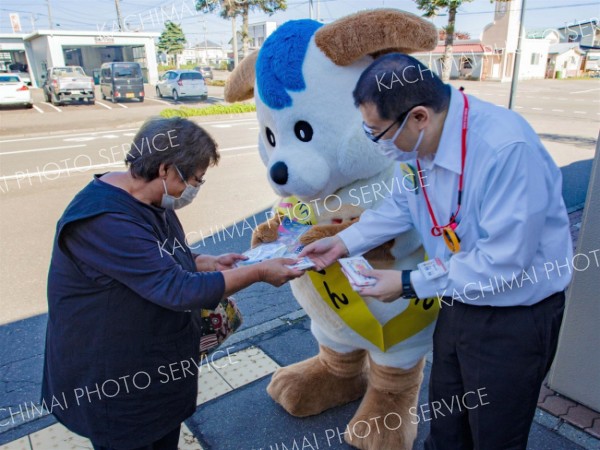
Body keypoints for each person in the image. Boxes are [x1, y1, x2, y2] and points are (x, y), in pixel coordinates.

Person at [300, 54, 572, 450]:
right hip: (457, 297)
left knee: (494, 434)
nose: (376, 142)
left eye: (377, 132)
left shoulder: (505, 149)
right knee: (446, 421)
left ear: (419, 117)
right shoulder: (419, 146)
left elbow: (504, 262)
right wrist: (343, 242)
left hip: (513, 316)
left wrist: (409, 283)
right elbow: (400, 206)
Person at [42, 117, 304, 450]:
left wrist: (201, 261)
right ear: (166, 170)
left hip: (154, 368)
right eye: (195, 179)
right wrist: (260, 272)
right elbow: (176, 289)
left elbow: (155, 255)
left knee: (164, 434)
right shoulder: (105, 220)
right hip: (115, 382)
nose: (194, 189)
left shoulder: (147, 198)